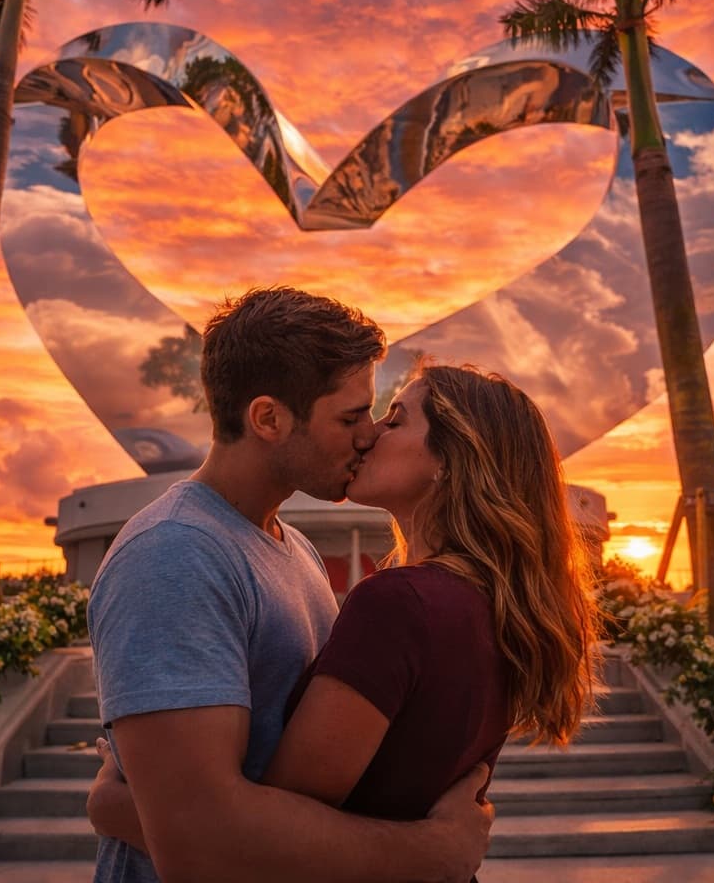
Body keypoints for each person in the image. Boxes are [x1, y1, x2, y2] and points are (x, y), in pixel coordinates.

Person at [90, 359, 601, 876]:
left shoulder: (400, 604)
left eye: (394, 419)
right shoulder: (491, 608)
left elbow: (253, 843)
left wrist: (112, 801)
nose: (370, 434)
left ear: (450, 461)